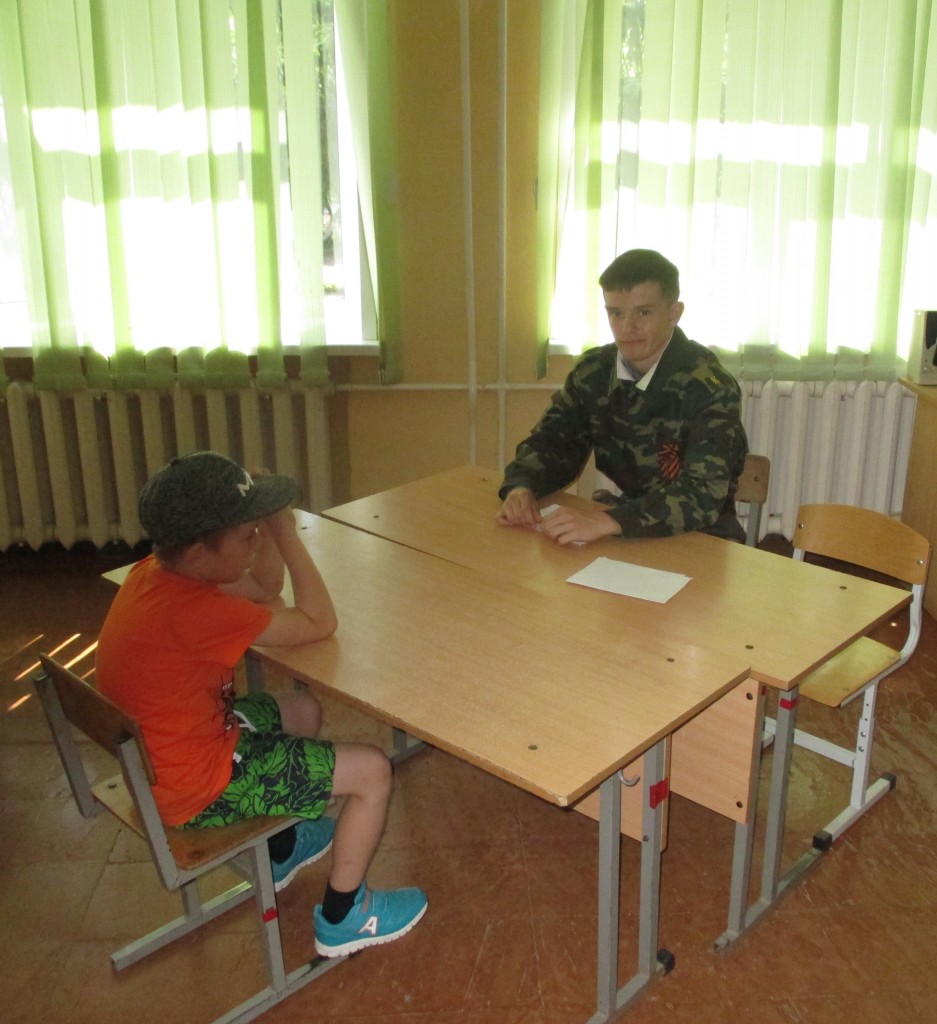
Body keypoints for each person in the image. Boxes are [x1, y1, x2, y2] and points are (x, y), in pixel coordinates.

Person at [95, 451, 427, 957]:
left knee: (302, 710)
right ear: (201, 554)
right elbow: (318, 622)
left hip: (168, 757)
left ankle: (282, 846)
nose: (256, 542)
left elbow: (265, 587)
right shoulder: (198, 610)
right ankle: (345, 916)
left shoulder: (159, 575)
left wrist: (262, 526)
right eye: (247, 536)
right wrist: (286, 531)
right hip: (200, 788)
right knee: (373, 771)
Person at [498, 248, 748, 545]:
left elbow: (702, 495)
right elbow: (554, 443)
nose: (627, 328)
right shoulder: (594, 372)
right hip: (628, 530)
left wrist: (609, 521)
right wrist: (521, 486)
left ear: (674, 313)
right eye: (616, 313)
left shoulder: (709, 387)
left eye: (643, 313)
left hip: (703, 537)